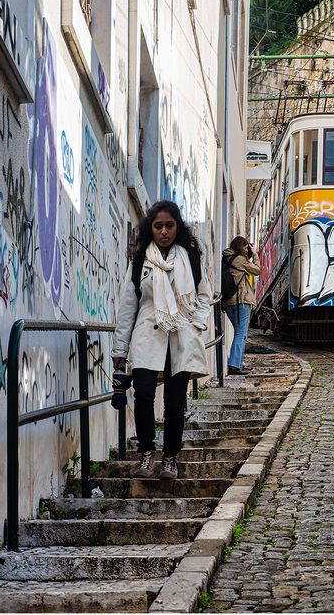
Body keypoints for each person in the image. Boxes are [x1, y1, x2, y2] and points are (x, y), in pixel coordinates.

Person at [113, 200, 211, 479]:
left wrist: (197, 323)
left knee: (175, 402)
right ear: (151, 228)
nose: (164, 231)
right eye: (158, 226)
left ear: (177, 227)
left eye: (169, 225)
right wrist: (120, 350)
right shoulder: (141, 261)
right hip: (146, 336)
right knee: (143, 394)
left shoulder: (190, 259)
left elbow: (204, 297)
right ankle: (146, 453)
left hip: (179, 337)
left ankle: (170, 458)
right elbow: (127, 306)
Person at [222, 236, 261, 375]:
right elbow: (257, 270)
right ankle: (234, 365)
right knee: (241, 333)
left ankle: (239, 362)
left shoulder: (227, 257)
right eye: (245, 247)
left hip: (228, 302)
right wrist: (255, 253)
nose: (246, 249)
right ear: (239, 247)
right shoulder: (240, 259)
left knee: (240, 332)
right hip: (241, 300)